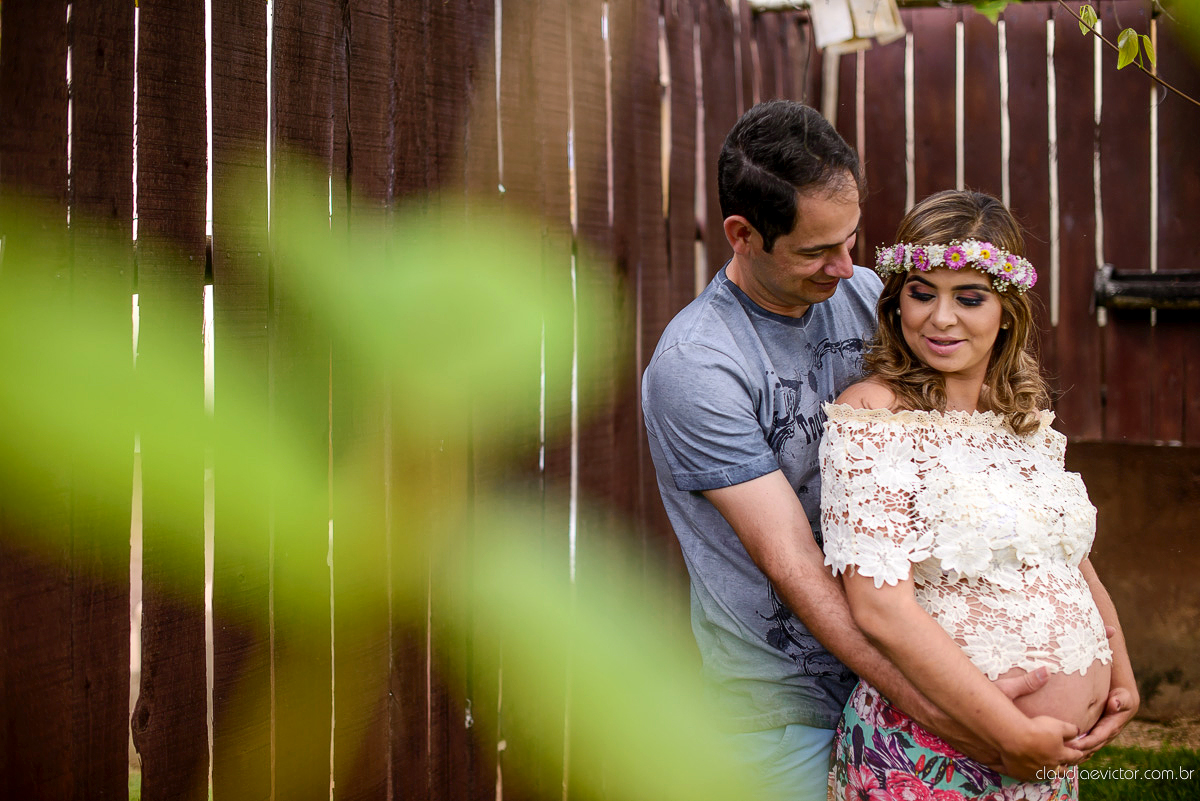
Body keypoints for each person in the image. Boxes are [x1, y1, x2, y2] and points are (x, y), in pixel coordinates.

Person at [642, 101, 1054, 801]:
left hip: (908, 675)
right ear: (742, 235)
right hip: (782, 708)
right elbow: (798, 566)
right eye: (815, 251)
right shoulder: (699, 365)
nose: (847, 267)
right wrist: (956, 716)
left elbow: (981, 454)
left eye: (852, 239)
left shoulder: (867, 295)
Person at [820, 189, 1138, 800]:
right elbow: (879, 608)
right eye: (921, 293)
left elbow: (1065, 557)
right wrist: (1004, 733)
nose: (941, 318)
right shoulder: (875, 417)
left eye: (969, 298)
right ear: (896, 300)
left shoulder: (1021, 419)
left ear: (1007, 308)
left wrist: (1117, 670)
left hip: (1044, 758)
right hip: (936, 751)